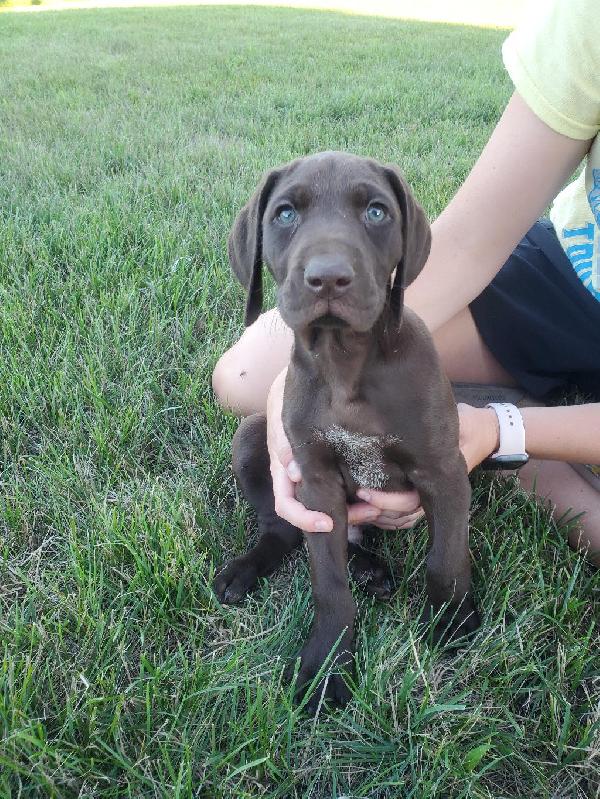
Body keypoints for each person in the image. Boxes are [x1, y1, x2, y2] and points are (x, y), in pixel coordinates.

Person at [212, 0, 600, 566]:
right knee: (244, 377)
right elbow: (469, 241)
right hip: (571, 270)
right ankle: (481, 413)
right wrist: (301, 374)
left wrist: (500, 429)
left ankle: (507, 428)